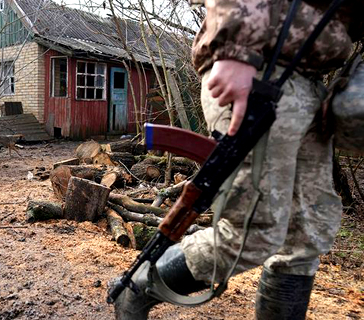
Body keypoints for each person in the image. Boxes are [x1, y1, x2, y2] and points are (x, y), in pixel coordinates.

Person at [111, 1, 364, 319]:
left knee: (305, 235)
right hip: (261, 72)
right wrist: (235, 46)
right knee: (252, 232)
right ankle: (137, 287)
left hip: (312, 88)